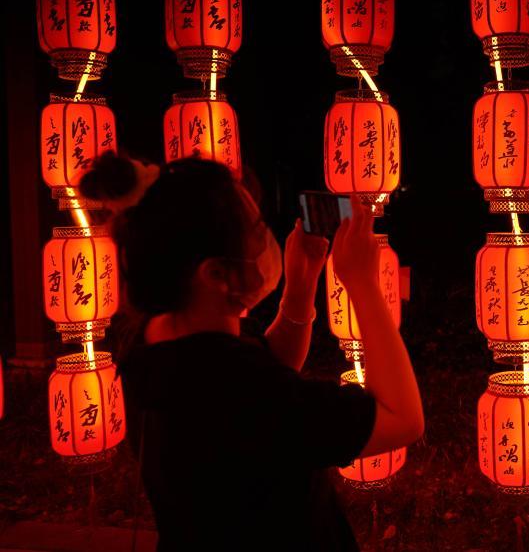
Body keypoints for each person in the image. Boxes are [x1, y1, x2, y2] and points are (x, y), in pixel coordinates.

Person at [79, 153, 424, 551]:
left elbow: (270, 368)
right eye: (256, 231)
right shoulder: (239, 390)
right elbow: (401, 419)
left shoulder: (158, 344)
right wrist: (362, 282)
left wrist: (300, 288)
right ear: (215, 274)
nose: (266, 241)